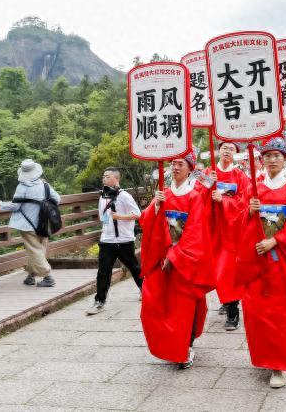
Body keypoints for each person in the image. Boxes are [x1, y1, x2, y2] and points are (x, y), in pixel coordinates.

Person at [236, 136, 286, 388]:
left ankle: (281, 364)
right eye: (267, 155)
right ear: (261, 160)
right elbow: (237, 220)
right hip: (257, 259)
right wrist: (248, 211)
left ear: (285, 159)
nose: (271, 159)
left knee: (282, 312)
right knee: (257, 311)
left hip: (283, 261)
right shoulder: (253, 188)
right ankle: (265, 358)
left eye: (276, 155)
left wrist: (277, 240)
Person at [139, 151, 214, 369]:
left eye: (180, 163)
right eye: (173, 163)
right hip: (162, 257)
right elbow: (145, 220)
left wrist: (175, 256)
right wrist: (155, 206)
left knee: (186, 305)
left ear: (191, 168)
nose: (175, 167)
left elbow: (195, 232)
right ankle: (170, 345)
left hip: (185, 260)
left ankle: (187, 346)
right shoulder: (164, 193)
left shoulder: (194, 196)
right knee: (158, 303)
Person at [0, 159, 60, 287]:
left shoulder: (22, 187)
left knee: (34, 250)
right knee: (39, 249)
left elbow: (15, 206)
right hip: (44, 222)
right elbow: (57, 199)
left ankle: (48, 277)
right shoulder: (44, 184)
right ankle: (31, 276)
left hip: (28, 225)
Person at [201, 141, 248, 331]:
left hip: (232, 231)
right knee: (215, 269)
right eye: (224, 148)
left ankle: (233, 310)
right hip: (212, 229)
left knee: (229, 269)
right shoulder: (207, 173)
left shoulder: (240, 175)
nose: (227, 151)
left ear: (236, 153)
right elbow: (196, 196)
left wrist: (225, 201)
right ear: (218, 150)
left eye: (231, 148)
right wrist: (208, 187)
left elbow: (244, 201)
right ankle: (226, 299)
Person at [86, 168, 143, 315]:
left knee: (135, 268)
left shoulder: (124, 196)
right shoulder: (102, 196)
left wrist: (120, 217)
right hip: (107, 240)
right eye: (103, 176)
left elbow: (137, 214)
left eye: (107, 176)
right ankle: (99, 301)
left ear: (116, 179)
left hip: (124, 240)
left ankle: (145, 290)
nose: (104, 178)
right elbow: (102, 217)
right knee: (103, 272)